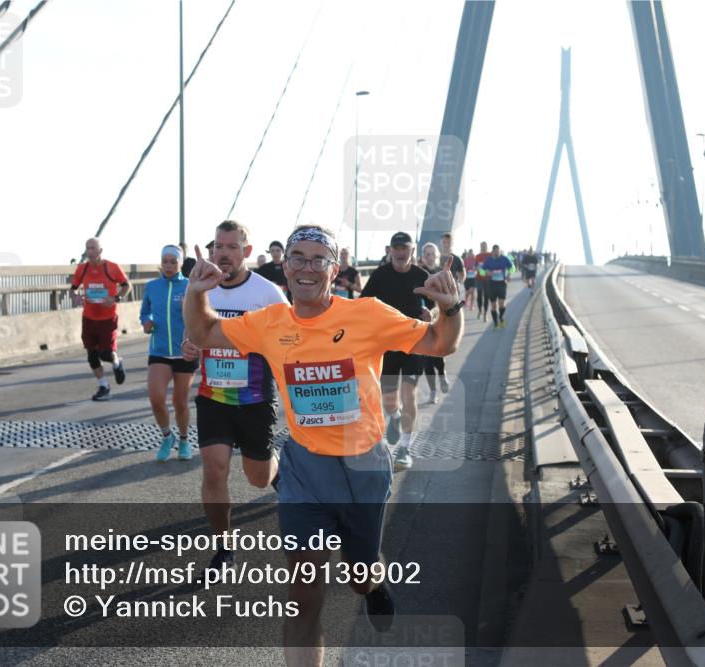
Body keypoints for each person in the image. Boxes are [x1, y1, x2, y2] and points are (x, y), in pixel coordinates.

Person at [183, 224, 463, 667]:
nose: (307, 267)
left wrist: (451, 308)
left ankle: (373, 582)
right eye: (297, 257)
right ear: (285, 266)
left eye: (318, 259)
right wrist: (195, 292)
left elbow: (441, 342)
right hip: (305, 470)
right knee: (303, 592)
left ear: (335, 269)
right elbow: (205, 333)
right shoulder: (268, 323)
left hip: (364, 467)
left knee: (358, 573)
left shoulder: (367, 314)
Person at [181, 221, 287, 571]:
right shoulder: (201, 288)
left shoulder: (268, 293)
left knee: (257, 478)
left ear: (245, 250)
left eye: (230, 247)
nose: (222, 254)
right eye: (218, 247)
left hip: (255, 399)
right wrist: (190, 345)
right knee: (214, 470)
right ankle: (224, 548)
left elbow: (291, 338)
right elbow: (194, 332)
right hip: (213, 397)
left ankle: (276, 473)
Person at [360, 232, 431, 471]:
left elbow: (436, 306)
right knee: (389, 399)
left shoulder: (422, 276)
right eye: (396, 248)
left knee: (409, 393)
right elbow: (363, 305)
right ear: (390, 250)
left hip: (414, 342)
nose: (400, 252)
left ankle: (405, 449)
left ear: (413, 250)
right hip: (386, 345)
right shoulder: (380, 275)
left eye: (405, 247)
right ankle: (395, 416)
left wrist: (433, 316)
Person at [140, 245, 199, 462]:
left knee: (180, 402)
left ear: (181, 263)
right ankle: (167, 436)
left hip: (185, 351)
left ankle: (184, 439)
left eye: (173, 261)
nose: (168, 265)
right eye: (165, 261)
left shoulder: (190, 287)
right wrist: (147, 322)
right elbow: (146, 312)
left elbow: (201, 316)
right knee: (156, 398)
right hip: (159, 351)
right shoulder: (152, 286)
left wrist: (188, 308)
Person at [70, 238, 130, 401]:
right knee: (91, 355)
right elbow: (73, 289)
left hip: (107, 317)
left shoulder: (112, 267)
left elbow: (126, 286)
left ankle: (117, 362)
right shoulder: (82, 269)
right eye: (87, 248)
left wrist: (115, 298)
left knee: (105, 353)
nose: (90, 251)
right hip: (89, 317)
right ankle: (104, 386)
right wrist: (75, 297)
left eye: (93, 248)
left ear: (100, 250)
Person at [417, 243, 450, 404]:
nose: (429, 256)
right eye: (426, 254)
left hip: (438, 318)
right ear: (423, 256)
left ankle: (442, 376)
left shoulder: (442, 274)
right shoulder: (417, 274)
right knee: (426, 359)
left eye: (432, 254)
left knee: (438, 353)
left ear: (437, 256)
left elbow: (447, 298)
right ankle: (433, 391)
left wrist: (435, 313)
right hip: (422, 319)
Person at [480, 244, 514, 329]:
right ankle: (495, 323)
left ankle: (501, 317)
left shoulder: (504, 259)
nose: (497, 253)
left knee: (501, 303)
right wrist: (486, 273)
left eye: (498, 251)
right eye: (495, 251)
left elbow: (512, 267)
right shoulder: (488, 260)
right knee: (494, 305)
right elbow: (481, 271)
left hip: (502, 283)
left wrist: (509, 274)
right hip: (492, 284)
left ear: (499, 251)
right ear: (492, 251)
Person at [474, 242, 492, 320]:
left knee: (486, 296)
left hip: (487, 279)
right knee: (479, 296)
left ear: (487, 246)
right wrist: (476, 268)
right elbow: (475, 266)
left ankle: (485, 313)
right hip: (479, 278)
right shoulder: (477, 256)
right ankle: (480, 310)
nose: (483, 247)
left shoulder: (490, 255)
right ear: (480, 246)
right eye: (482, 246)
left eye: (485, 246)